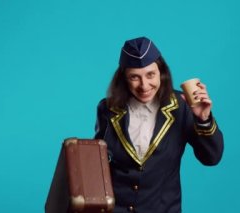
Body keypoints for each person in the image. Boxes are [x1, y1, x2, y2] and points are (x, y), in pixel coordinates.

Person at [94, 36, 224, 213]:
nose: (144, 85)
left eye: (150, 75)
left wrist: (203, 119)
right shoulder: (107, 108)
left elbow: (212, 158)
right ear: (124, 78)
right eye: (134, 77)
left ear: (161, 73)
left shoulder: (182, 106)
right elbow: (98, 162)